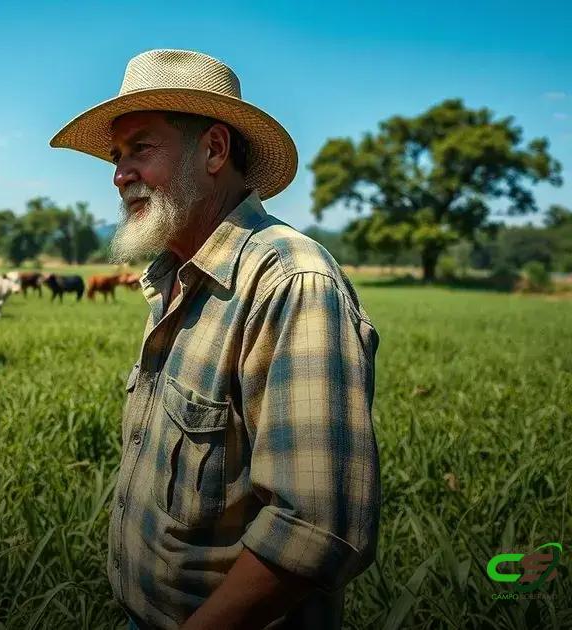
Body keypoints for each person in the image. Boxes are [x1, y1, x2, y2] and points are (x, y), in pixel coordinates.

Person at [51, 49, 381, 629]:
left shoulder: (290, 281)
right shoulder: (177, 276)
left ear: (213, 150)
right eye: (116, 155)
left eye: (141, 149)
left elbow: (316, 528)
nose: (119, 174)